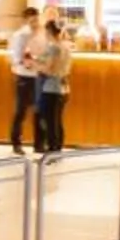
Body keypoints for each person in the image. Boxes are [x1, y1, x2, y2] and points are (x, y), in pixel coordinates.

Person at [4, 7, 46, 152]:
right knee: (20, 111)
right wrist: (25, 62)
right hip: (24, 77)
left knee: (39, 112)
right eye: (32, 20)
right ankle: (16, 143)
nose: (35, 22)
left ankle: (39, 144)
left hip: (38, 76)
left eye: (36, 19)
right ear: (25, 20)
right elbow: (14, 57)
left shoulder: (42, 34)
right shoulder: (20, 35)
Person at [36, 18, 74, 154]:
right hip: (63, 87)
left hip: (50, 87)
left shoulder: (53, 47)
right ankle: (57, 147)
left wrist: (38, 68)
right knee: (57, 120)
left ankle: (51, 149)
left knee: (49, 120)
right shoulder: (66, 47)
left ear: (49, 31)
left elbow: (49, 68)